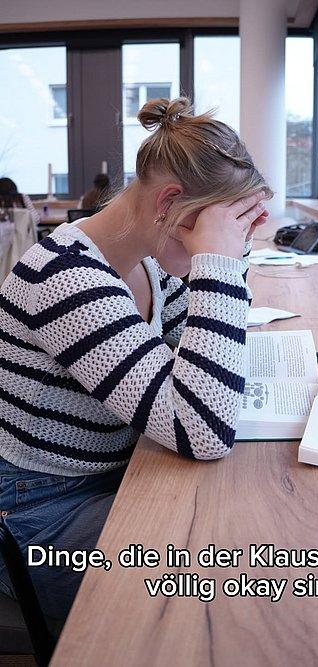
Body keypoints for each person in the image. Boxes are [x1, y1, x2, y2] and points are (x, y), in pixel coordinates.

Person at [0, 97, 272, 621]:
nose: (224, 244)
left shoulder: (149, 263)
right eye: (221, 227)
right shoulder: (64, 278)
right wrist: (217, 263)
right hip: (40, 507)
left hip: (113, 473)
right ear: (169, 203)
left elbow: (201, 364)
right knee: (225, 566)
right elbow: (200, 431)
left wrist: (229, 254)